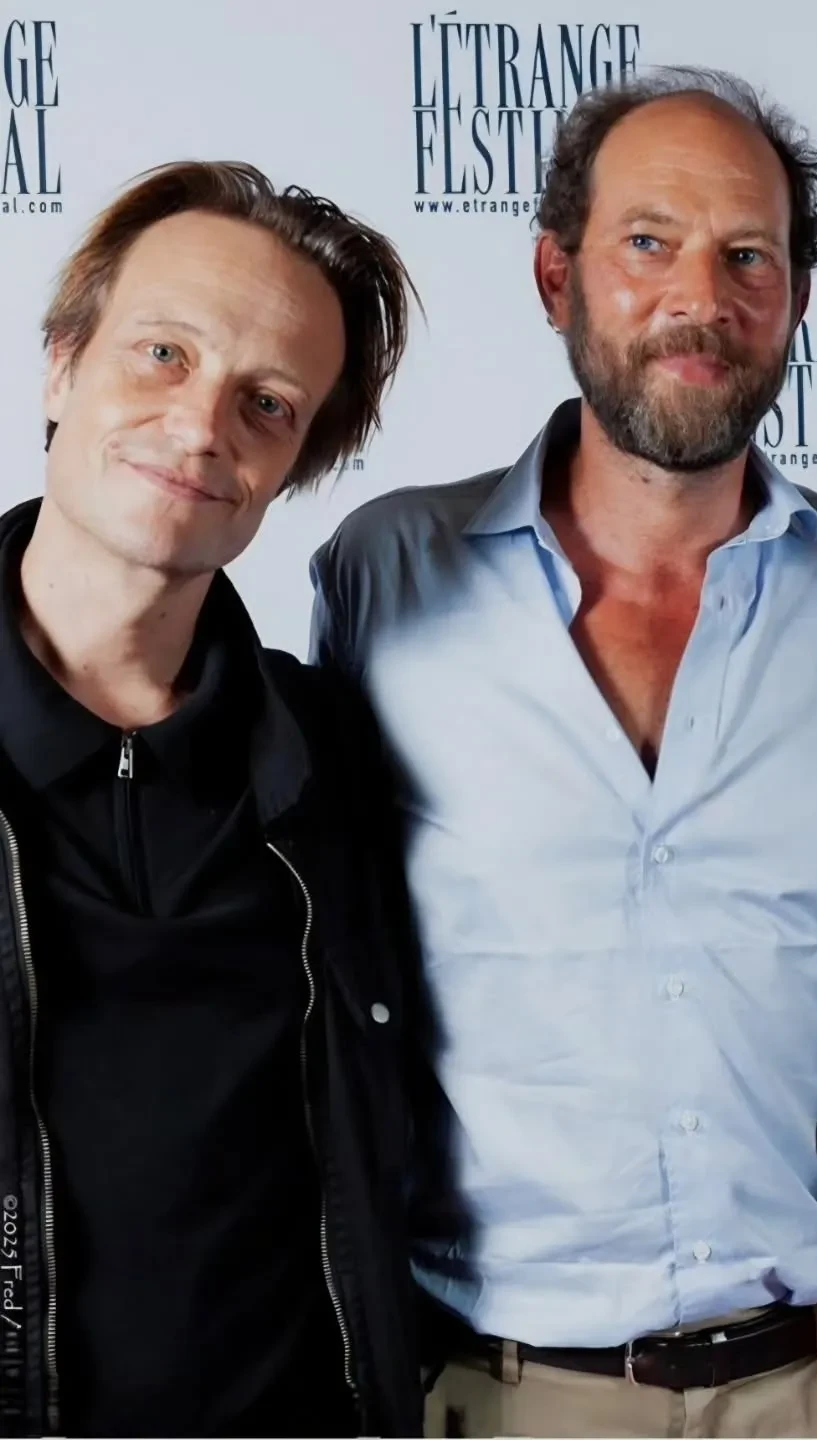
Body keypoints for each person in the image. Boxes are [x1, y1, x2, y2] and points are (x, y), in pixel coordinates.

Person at [310, 67, 817, 1440]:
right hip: (496, 1391)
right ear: (557, 275)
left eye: (748, 256)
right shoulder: (388, 576)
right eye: (648, 242)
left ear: (797, 297)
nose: (699, 298)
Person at [0, 161, 424, 1436]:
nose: (200, 427)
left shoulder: (337, 757)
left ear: (293, 464)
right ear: (62, 366)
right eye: (163, 354)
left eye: (267, 403)